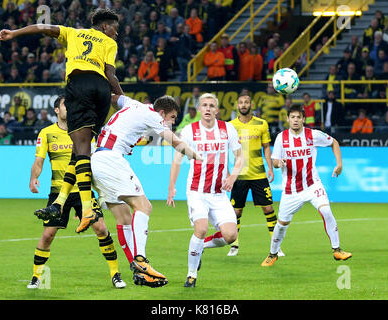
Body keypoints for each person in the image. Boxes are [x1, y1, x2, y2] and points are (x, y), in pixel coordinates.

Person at [0, 8, 124, 233]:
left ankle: (87, 208)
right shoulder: (109, 43)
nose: (116, 33)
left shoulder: (73, 33)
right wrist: (123, 101)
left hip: (80, 84)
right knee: (81, 150)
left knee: (81, 148)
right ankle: (59, 202)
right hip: (102, 89)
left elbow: (42, 27)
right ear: (105, 27)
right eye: (115, 28)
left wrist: (14, 33)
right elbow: (111, 74)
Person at [91, 94, 202, 288]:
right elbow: (175, 142)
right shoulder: (153, 116)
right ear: (162, 113)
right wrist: (195, 156)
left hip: (96, 158)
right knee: (144, 206)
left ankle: (137, 270)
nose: (172, 122)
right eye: (173, 117)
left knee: (123, 217)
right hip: (112, 159)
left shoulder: (133, 104)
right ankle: (141, 260)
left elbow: (114, 97)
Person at [27, 96, 126, 289]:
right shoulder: (47, 133)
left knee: (102, 229)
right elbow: (38, 161)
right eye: (66, 105)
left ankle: (115, 274)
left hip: (84, 191)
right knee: (48, 235)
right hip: (58, 193)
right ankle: (36, 277)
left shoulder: (83, 131)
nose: (70, 108)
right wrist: (33, 177)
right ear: (57, 110)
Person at [166, 93, 244, 288]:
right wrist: (171, 187)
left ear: (217, 110)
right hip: (196, 191)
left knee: (230, 236)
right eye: (204, 105)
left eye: (211, 106)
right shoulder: (189, 131)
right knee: (200, 229)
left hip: (219, 194)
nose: (208, 109)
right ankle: (191, 275)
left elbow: (240, 156)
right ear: (199, 109)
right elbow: (177, 160)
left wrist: (233, 176)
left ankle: (201, 248)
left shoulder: (228, 129)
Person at [261, 105, 352, 267]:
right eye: (292, 117)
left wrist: (339, 164)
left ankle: (337, 250)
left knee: (326, 210)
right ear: (288, 119)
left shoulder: (313, 135)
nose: (295, 120)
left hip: (312, 185)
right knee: (281, 225)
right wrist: (278, 163)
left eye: (298, 117)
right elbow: (274, 160)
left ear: (303, 119)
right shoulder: (282, 137)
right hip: (291, 190)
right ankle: (272, 254)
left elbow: (334, 142)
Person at [226, 93, 284, 258]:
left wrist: (270, 168)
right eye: (241, 102)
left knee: (268, 209)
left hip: (258, 174)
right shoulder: (230, 126)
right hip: (239, 175)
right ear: (237, 106)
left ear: (251, 105)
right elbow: (224, 150)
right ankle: (234, 245)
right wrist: (228, 172)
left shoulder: (261, 124)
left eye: (246, 102)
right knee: (236, 212)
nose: (244, 105)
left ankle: (276, 246)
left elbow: (266, 147)